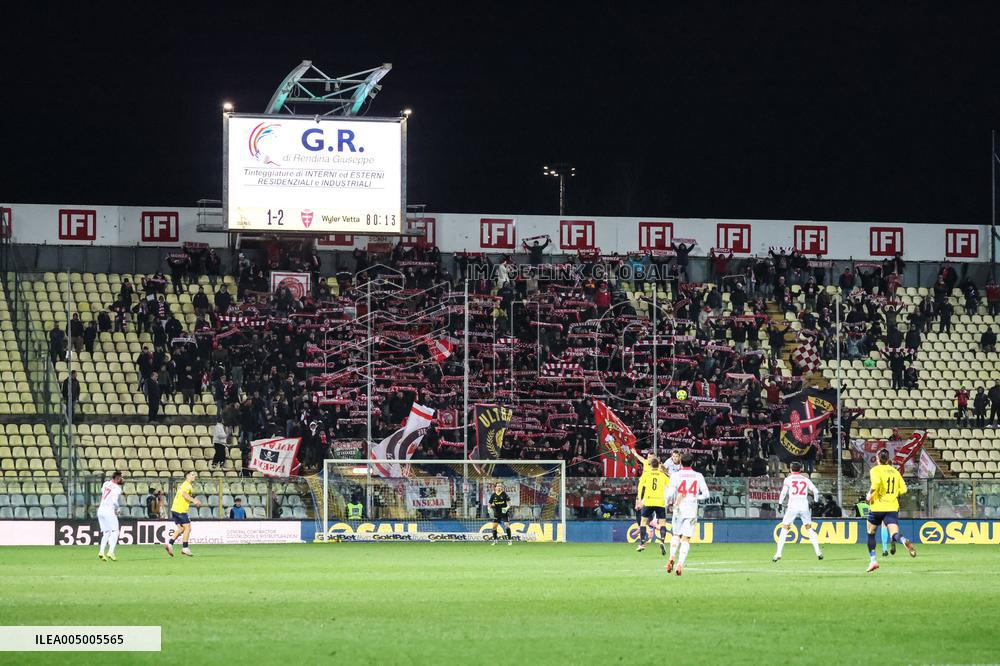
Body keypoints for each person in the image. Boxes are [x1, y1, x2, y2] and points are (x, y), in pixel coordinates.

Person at [865, 449, 917, 573]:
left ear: (877, 458)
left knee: (870, 532)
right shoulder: (895, 471)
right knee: (895, 534)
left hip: (877, 507)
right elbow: (904, 489)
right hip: (892, 507)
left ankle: (873, 561)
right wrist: (893, 494)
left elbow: (876, 483)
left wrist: (869, 495)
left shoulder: (875, 470)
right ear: (888, 459)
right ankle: (903, 540)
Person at [663, 454, 710, 576]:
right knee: (686, 539)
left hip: (678, 508)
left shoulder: (675, 475)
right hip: (691, 509)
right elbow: (706, 494)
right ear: (693, 463)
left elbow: (670, 494)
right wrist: (695, 496)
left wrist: (668, 501)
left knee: (676, 534)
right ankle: (680, 564)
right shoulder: (698, 476)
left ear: (681, 463)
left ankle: (672, 556)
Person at [772, 462, 823, 562]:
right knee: (809, 529)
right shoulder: (806, 479)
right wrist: (816, 501)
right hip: (804, 506)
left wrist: (780, 503)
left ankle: (778, 554)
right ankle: (818, 552)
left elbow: (784, 492)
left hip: (792, 506)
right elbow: (816, 491)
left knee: (784, 529)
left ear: (790, 469)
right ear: (800, 469)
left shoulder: (788, 479)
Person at [634, 457, 669, 553]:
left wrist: (639, 500)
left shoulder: (646, 474)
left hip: (649, 501)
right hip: (660, 501)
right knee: (662, 523)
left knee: (643, 522)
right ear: (658, 465)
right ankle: (662, 541)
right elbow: (670, 485)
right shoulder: (662, 475)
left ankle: (642, 544)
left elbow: (640, 488)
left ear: (650, 465)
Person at [165, 471, 201, 557]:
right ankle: (185, 548)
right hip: (181, 510)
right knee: (188, 528)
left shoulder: (183, 484)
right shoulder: (188, 485)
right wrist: (194, 500)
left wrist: (191, 501)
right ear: (188, 476)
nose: (194, 476)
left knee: (181, 529)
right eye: (192, 475)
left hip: (175, 509)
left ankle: (169, 544)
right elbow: (184, 495)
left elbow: (183, 497)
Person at [97, 471, 124, 562]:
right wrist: (118, 508)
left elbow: (103, 493)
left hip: (101, 510)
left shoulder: (105, 483)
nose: (122, 479)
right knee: (115, 531)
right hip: (109, 510)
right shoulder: (117, 488)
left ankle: (101, 552)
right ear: (117, 478)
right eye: (121, 478)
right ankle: (111, 552)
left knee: (107, 532)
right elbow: (114, 500)